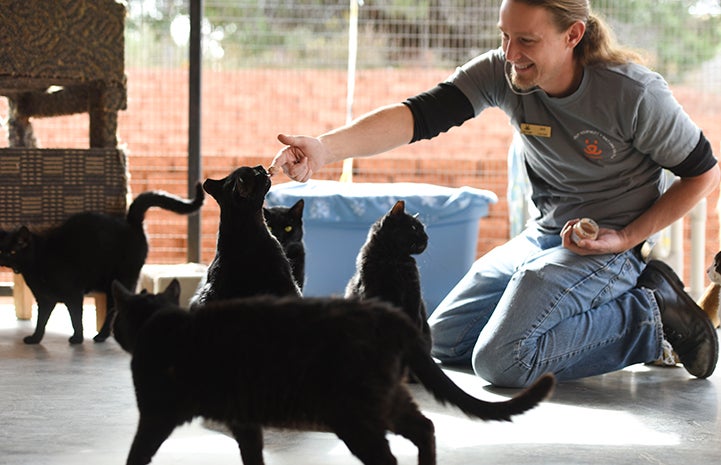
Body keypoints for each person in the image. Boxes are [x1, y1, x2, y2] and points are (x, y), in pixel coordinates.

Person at [269, 0, 720, 387]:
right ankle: (574, 317)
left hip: (613, 244)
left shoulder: (633, 93)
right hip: (545, 233)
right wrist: (325, 148)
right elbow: (417, 116)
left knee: (502, 361)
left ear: (573, 35)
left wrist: (623, 239)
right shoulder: (502, 73)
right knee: (441, 339)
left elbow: (702, 174)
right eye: (504, 36)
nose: (510, 54)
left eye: (526, 40)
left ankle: (650, 314)